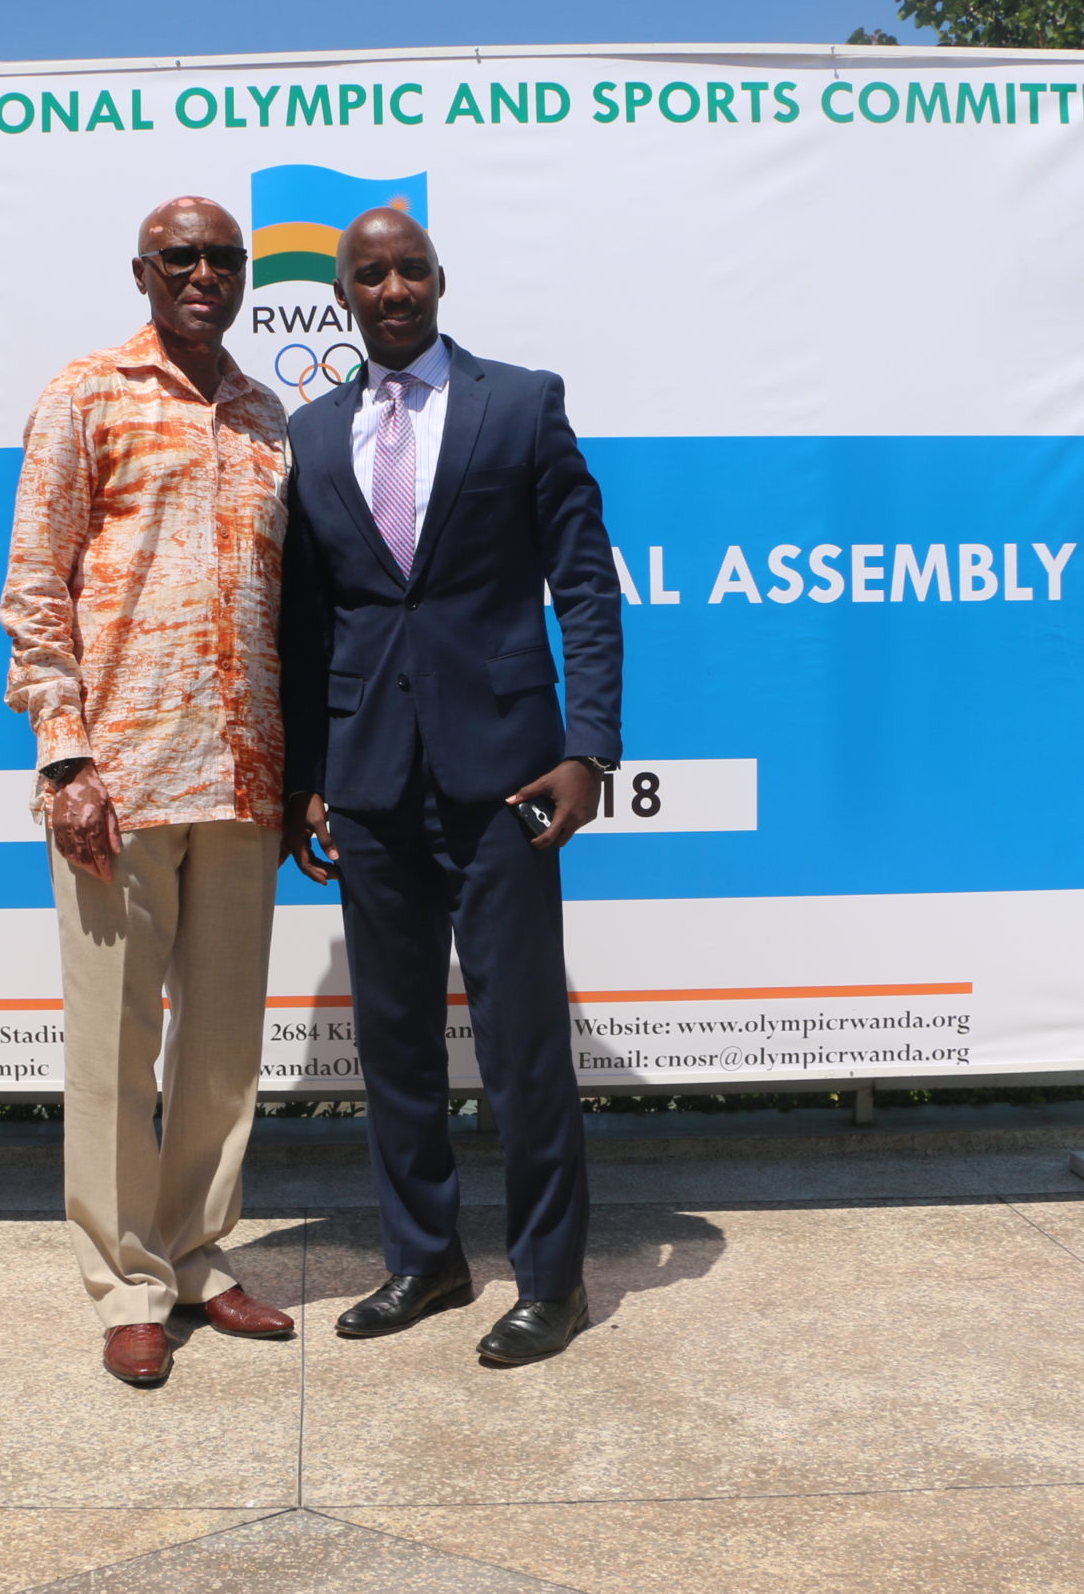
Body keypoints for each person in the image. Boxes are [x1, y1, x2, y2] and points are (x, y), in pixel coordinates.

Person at [279, 207, 623, 1365]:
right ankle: (424, 1259)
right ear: (342, 295)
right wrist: (308, 779)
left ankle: (551, 1281)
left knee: (523, 1044)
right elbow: (308, 625)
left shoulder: (518, 404)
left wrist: (589, 747)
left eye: (410, 270)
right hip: (369, 782)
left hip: (505, 774)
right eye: (370, 275)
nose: (393, 289)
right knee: (394, 1044)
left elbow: (585, 585)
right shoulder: (310, 434)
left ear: (438, 279)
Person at [1, 196, 297, 1386]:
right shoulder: (85, 394)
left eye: (222, 258)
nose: (203, 273)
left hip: (245, 775)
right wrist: (65, 758)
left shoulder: (267, 416)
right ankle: (126, 1283)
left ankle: (197, 1258)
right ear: (142, 272)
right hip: (116, 781)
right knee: (114, 1050)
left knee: (222, 1050)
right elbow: (35, 585)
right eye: (181, 257)